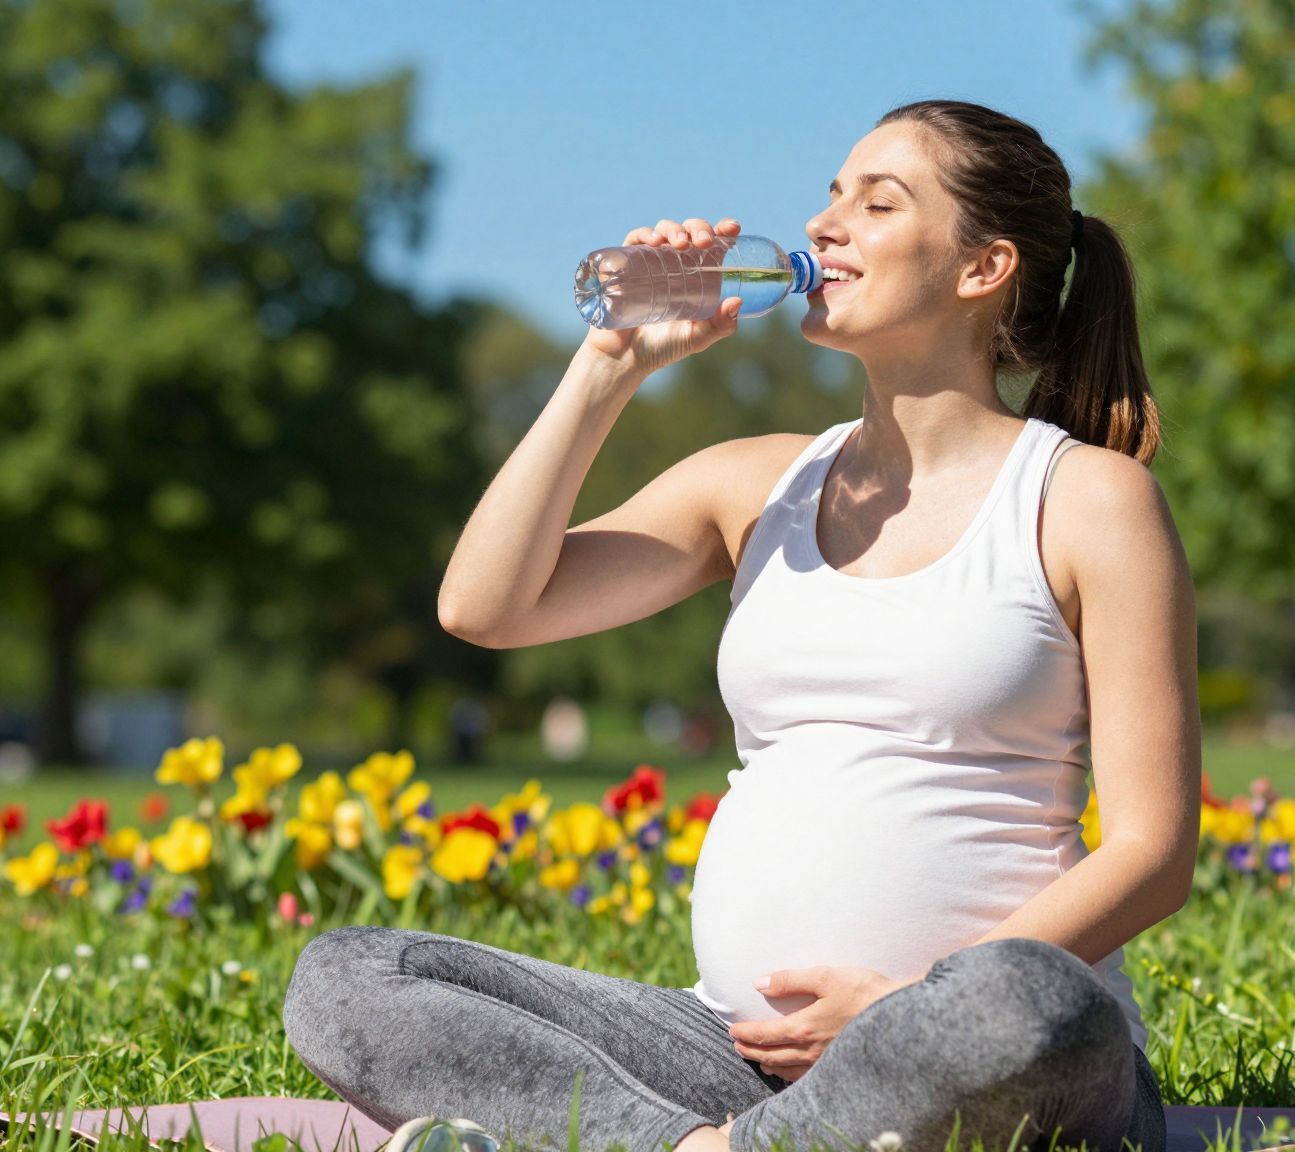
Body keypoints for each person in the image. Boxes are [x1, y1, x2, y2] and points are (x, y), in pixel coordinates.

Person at [282, 99, 1201, 1152]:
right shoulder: (755, 482)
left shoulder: (1085, 500)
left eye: (876, 201)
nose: (823, 224)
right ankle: (703, 1148)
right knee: (349, 976)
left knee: (1030, 1006)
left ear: (981, 268)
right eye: (828, 194)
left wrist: (904, 1003)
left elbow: (1152, 851)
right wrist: (606, 370)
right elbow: (485, 607)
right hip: (734, 1048)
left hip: (966, 1041)